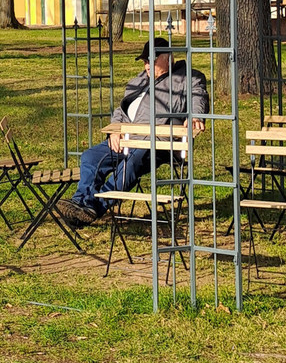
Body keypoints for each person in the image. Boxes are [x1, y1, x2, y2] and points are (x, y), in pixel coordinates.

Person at [57, 37, 208, 228]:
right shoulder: (137, 81)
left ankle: (94, 207)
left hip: (156, 143)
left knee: (131, 163)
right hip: (126, 139)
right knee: (90, 157)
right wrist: (115, 131)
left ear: (168, 57)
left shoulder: (189, 78)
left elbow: (198, 97)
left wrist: (195, 116)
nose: (147, 65)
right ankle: (79, 202)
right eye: (145, 61)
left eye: (152, 60)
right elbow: (121, 111)